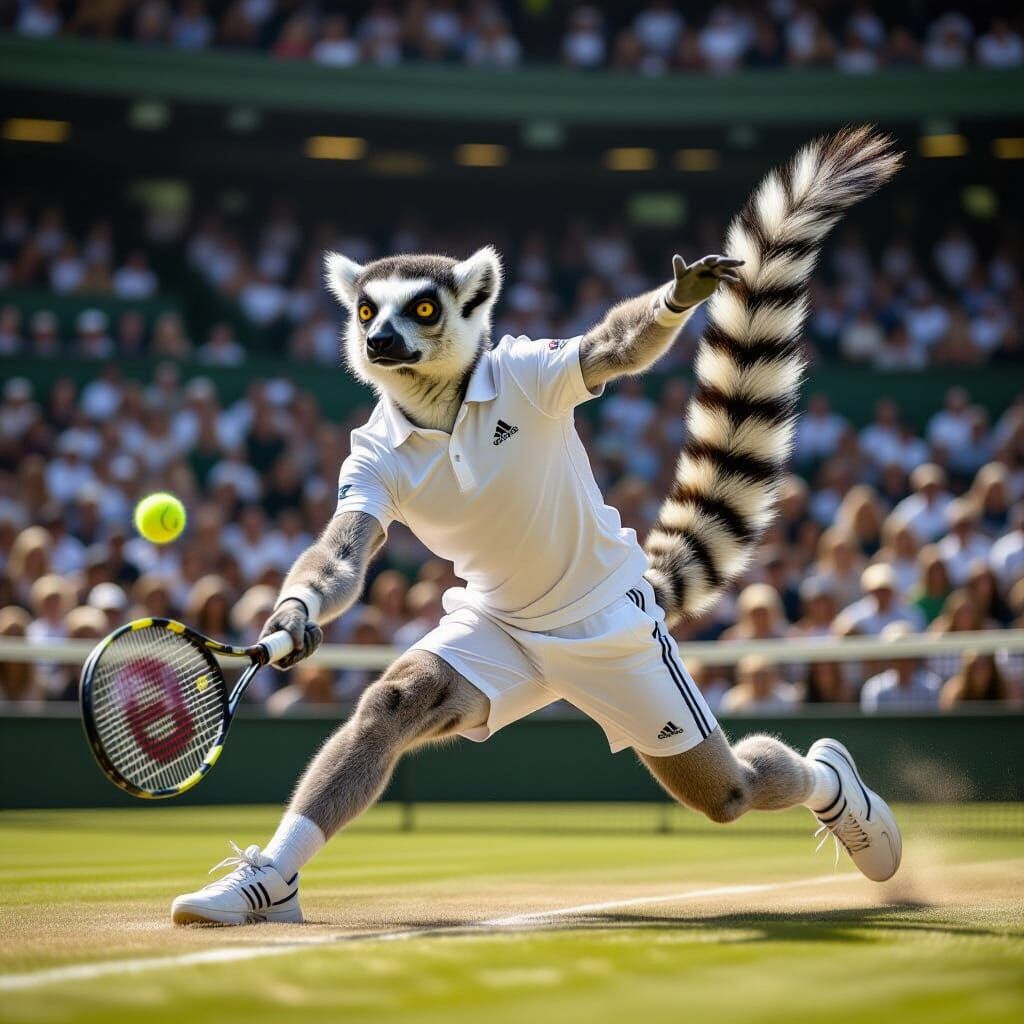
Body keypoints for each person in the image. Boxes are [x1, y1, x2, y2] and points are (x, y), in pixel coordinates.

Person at [171, 129, 903, 926]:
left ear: (468, 307)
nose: (389, 333)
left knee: (726, 796)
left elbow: (613, 348)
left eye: (419, 313)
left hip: (608, 616)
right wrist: (299, 607)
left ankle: (825, 783)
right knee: (390, 704)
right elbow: (343, 550)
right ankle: (274, 876)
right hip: (498, 623)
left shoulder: (519, 374)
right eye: (371, 315)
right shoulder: (378, 450)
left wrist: (671, 304)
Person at [860, 624, 942, 712]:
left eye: (908, 654)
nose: (903, 661)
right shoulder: (874, 688)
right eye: (898, 656)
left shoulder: (932, 686)